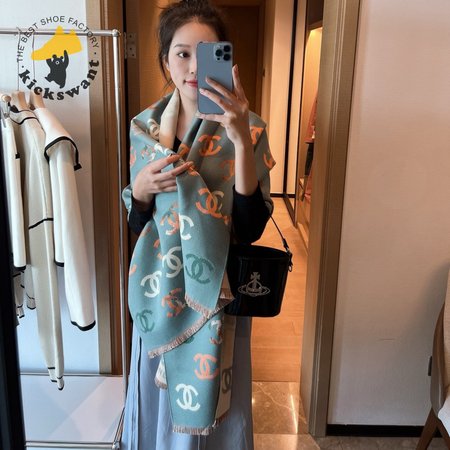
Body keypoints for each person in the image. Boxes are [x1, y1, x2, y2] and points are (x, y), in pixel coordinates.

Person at [120, 1, 274, 448]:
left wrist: (239, 140)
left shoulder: (250, 128)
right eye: (182, 53)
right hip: (158, 294)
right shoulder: (145, 130)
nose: (192, 67)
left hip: (217, 296)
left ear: (224, 59)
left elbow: (250, 228)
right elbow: (139, 224)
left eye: (206, 54)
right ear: (165, 61)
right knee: (158, 407)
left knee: (220, 408)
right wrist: (141, 191)